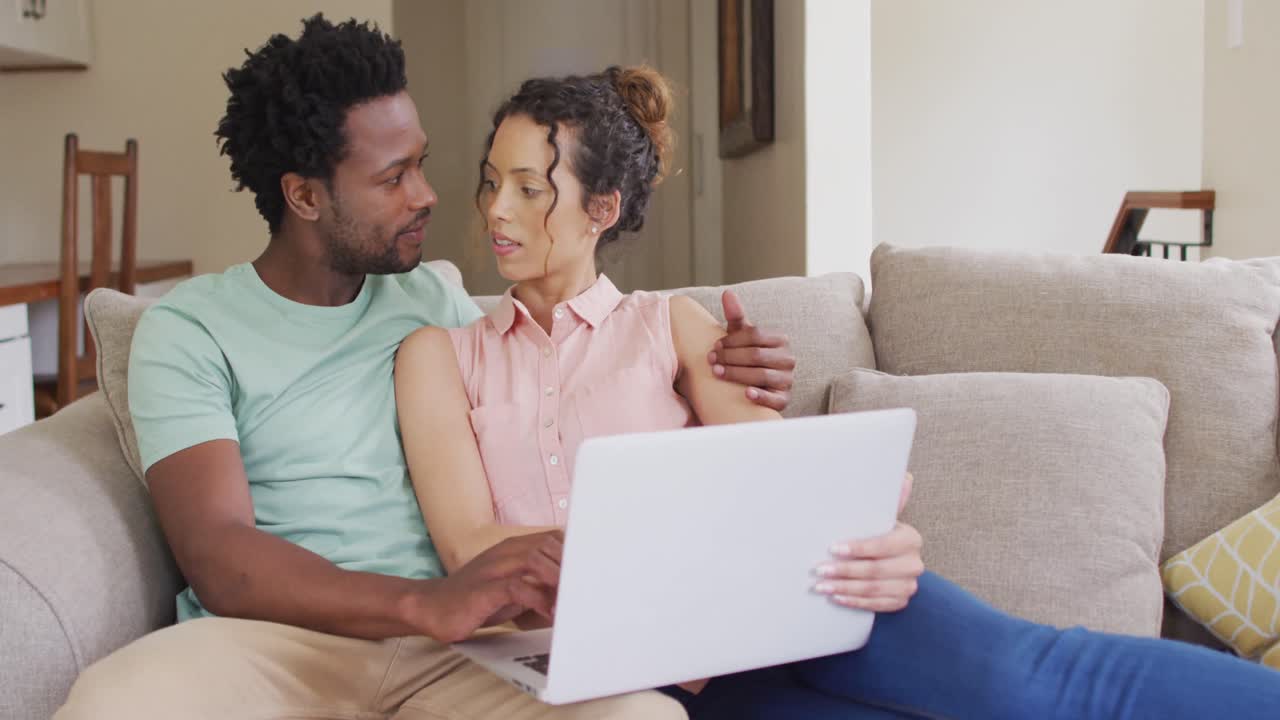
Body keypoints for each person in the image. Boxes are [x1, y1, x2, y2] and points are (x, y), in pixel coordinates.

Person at [394, 64, 1280, 719]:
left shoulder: (680, 328)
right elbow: (471, 542)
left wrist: (875, 527)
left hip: (791, 594)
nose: (496, 212)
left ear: (602, 208)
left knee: (1037, 677)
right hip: (651, 673)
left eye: (529, 187)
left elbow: (775, 487)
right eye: (490, 183)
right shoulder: (440, 353)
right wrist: (661, 567)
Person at [54, 16, 799, 720]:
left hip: (467, 649)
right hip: (275, 642)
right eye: (392, 178)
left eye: (424, 165)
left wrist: (715, 367)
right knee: (111, 703)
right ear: (304, 195)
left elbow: (560, 369)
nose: (428, 196)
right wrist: (420, 604)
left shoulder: (431, 298)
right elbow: (220, 555)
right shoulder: (189, 332)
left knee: (641, 715)